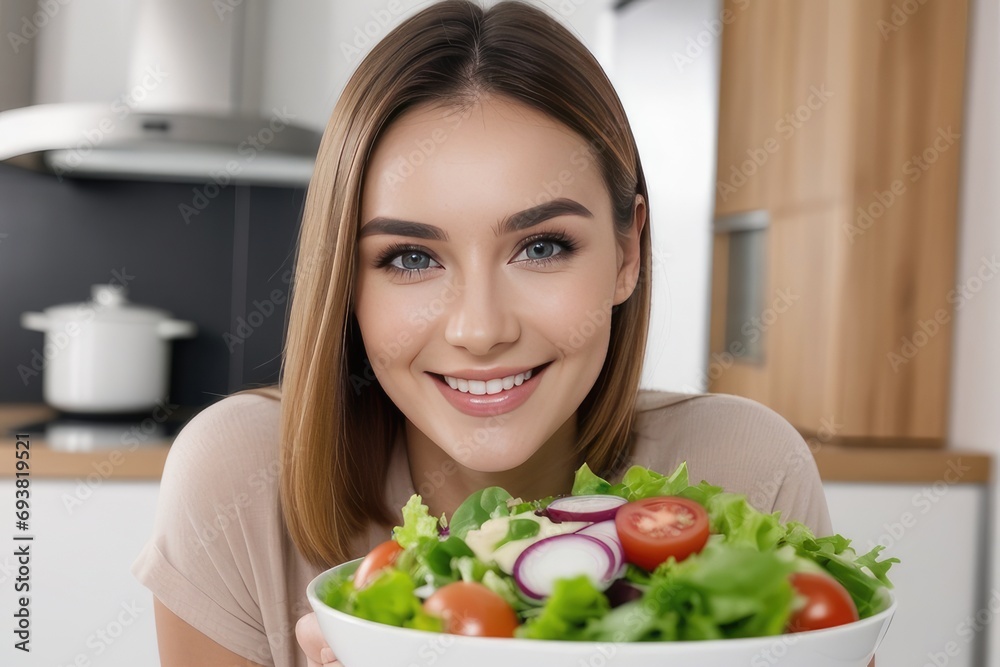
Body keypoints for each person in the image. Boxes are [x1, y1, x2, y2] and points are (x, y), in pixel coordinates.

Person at [130, 1, 832, 666]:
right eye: (410, 258)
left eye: (542, 246)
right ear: (346, 279)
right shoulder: (237, 482)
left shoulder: (746, 468)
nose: (480, 329)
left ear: (626, 255)